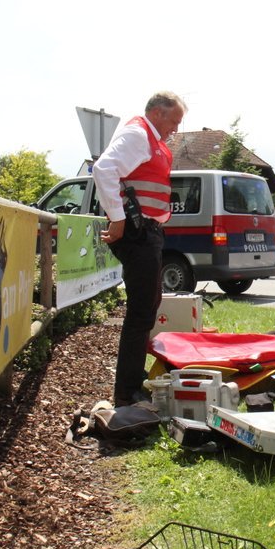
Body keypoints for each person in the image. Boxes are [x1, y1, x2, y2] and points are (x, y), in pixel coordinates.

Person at [92, 91, 186, 406]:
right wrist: (118, 219)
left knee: (146, 307)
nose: (175, 129)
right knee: (141, 310)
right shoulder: (138, 134)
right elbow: (104, 169)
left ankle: (131, 382)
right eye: (174, 121)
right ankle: (127, 391)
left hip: (146, 231)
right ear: (157, 113)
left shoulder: (151, 139)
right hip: (137, 230)